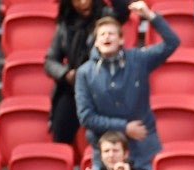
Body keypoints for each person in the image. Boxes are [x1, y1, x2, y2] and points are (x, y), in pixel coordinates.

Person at [75, 2, 179, 170]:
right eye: (102, 34)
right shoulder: (84, 73)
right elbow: (86, 117)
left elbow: (172, 43)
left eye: (111, 33)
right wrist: (124, 128)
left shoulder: (138, 59)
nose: (107, 37)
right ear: (96, 42)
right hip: (106, 152)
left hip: (141, 149)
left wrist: (150, 15)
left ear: (121, 39)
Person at [45, 0, 130, 145]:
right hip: (74, 85)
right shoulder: (65, 23)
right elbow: (50, 61)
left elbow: (123, 11)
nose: (83, 2)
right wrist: (65, 73)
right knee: (61, 128)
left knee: (110, 138)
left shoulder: (105, 15)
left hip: (105, 86)